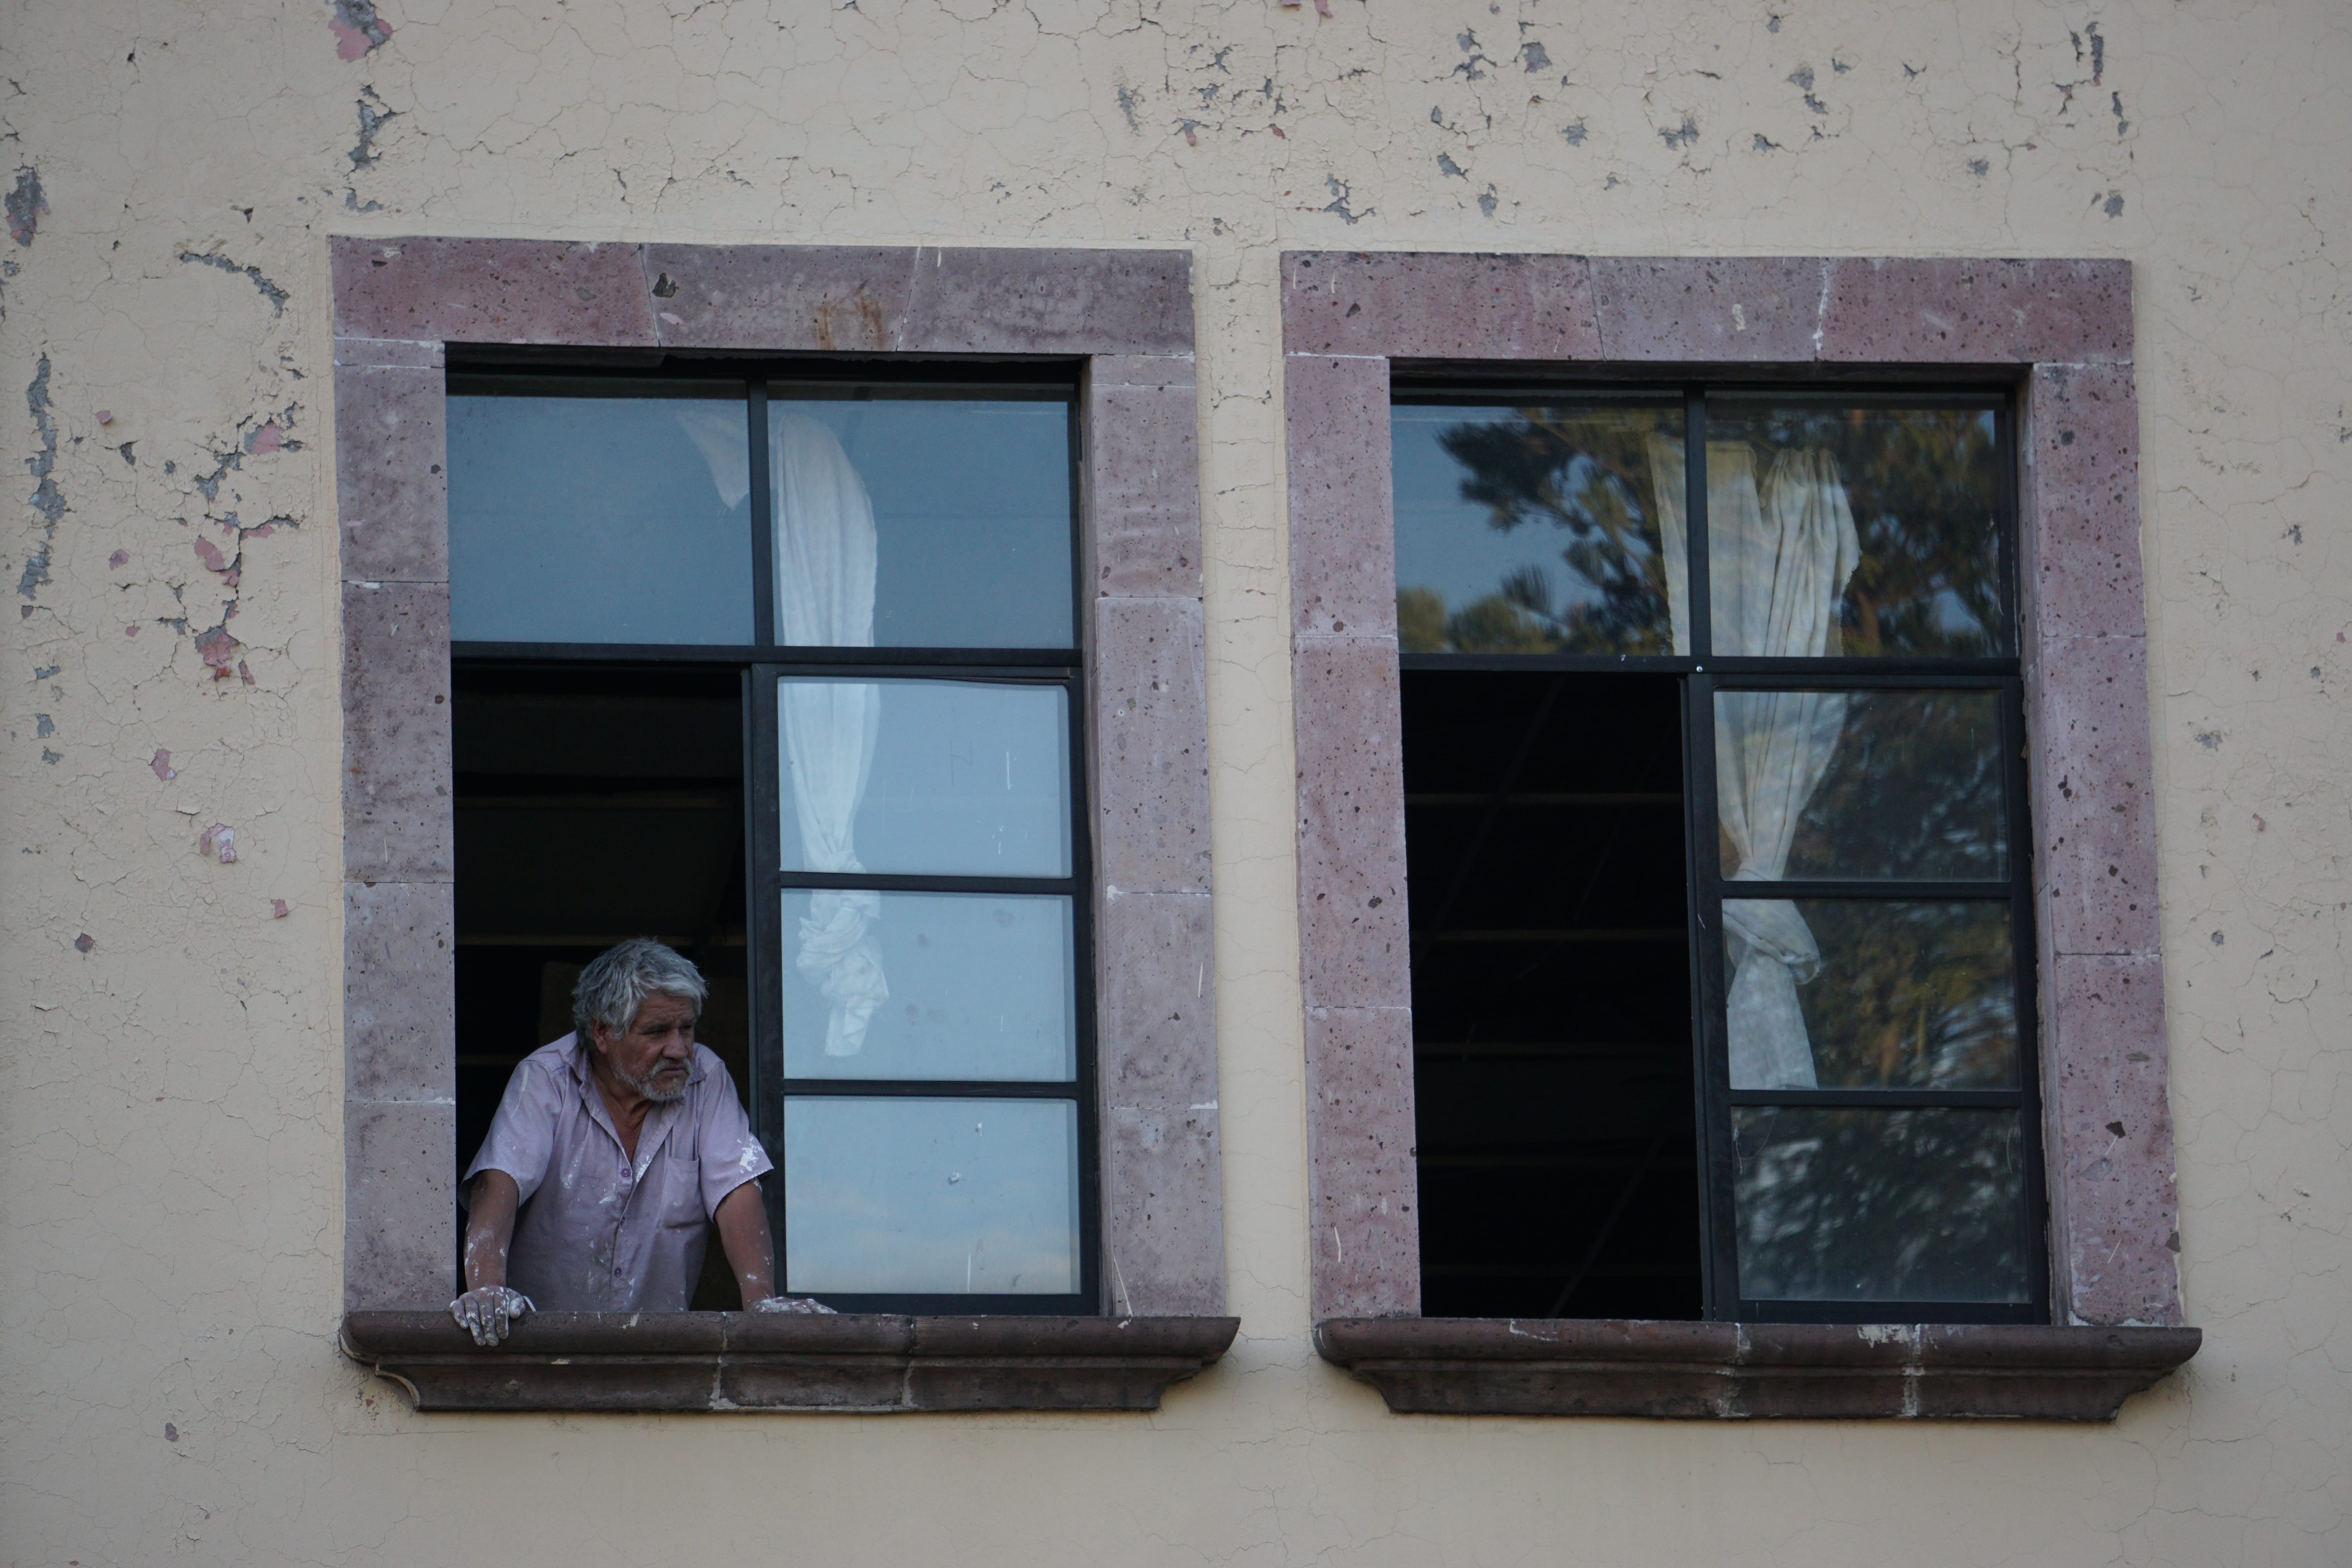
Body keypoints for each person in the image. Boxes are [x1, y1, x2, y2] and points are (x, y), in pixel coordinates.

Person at [448, 938, 834, 1344]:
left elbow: (737, 1186)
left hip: (660, 1349)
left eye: (687, 1028)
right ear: (602, 1032)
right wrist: (487, 1289)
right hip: (539, 1345)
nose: (679, 1049)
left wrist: (761, 1303)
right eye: (657, 1032)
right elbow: (500, 1180)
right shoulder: (547, 1078)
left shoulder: (706, 1077)